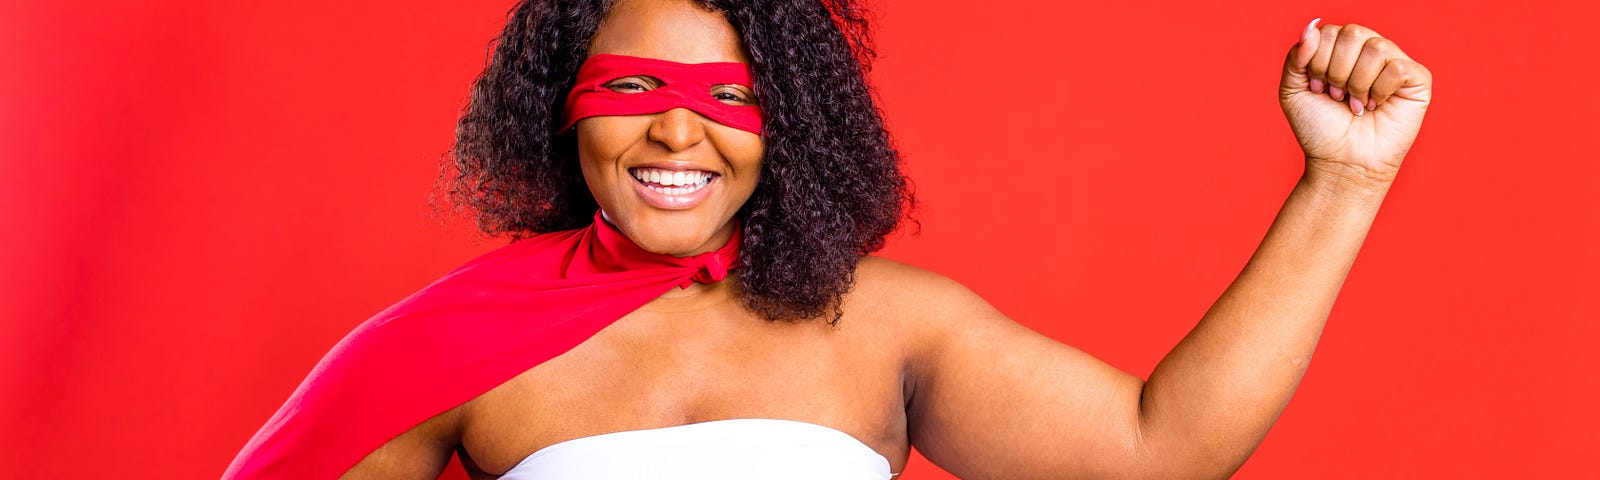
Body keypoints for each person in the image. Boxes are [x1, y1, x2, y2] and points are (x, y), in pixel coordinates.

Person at [226, 0, 1433, 478]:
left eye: (731, 98)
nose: (680, 131)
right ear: (561, 108)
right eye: (633, 88)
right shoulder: (451, 346)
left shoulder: (889, 322)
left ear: (786, 127)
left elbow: (1160, 454)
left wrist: (1342, 179)